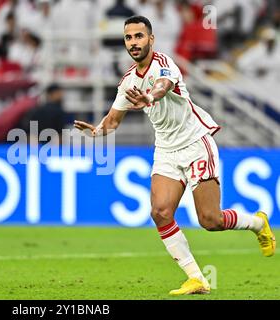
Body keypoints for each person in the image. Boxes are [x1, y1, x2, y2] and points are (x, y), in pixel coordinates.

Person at [74, 16, 276, 296]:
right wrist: (95, 132)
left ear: (151, 39)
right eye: (129, 38)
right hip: (166, 150)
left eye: (139, 36)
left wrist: (151, 99)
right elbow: (113, 121)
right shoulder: (129, 81)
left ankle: (256, 223)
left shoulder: (165, 65)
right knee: (159, 212)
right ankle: (197, 278)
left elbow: (163, 85)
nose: (133, 43)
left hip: (195, 143)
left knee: (210, 220)